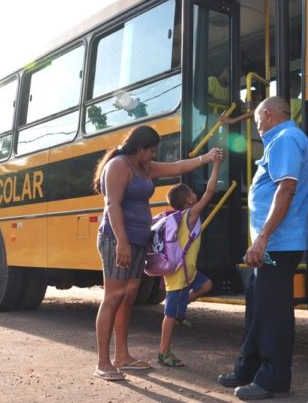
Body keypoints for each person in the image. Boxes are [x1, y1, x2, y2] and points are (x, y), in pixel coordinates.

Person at [91, 125, 224, 382]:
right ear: (139, 148)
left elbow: (177, 167)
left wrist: (206, 159)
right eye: (151, 150)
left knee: (129, 297)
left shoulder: (145, 167)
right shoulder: (119, 166)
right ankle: (103, 362)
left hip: (140, 240)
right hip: (117, 239)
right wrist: (122, 242)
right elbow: (112, 205)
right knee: (113, 297)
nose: (153, 155)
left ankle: (122, 357)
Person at [218, 96, 308, 400]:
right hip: (271, 242)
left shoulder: (286, 138)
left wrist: (262, 238)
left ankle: (273, 379)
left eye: (258, 120)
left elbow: (286, 188)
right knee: (257, 308)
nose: (256, 127)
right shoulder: (281, 140)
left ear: (269, 115)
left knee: (272, 311)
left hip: (278, 243)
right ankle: (248, 369)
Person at [156, 155, 221, 368]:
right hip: (178, 277)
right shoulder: (189, 216)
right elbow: (210, 192)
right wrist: (216, 164)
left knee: (207, 284)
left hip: (188, 273)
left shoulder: (179, 217)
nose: (196, 194)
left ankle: (181, 309)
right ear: (189, 201)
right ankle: (163, 352)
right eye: (193, 193)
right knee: (169, 316)